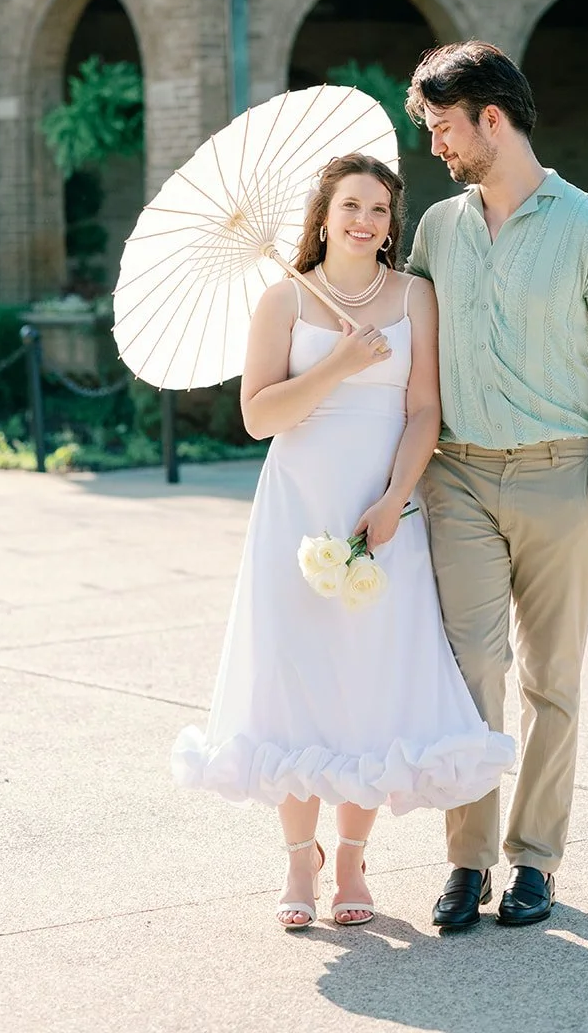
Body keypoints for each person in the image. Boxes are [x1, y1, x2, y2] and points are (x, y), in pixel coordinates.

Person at [171, 151, 514, 931]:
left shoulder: (413, 298)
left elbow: (423, 410)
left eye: (379, 210)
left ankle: (353, 857)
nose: (365, 221)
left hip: (379, 506)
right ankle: (301, 858)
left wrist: (396, 498)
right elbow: (259, 417)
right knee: (296, 678)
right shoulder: (282, 302)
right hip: (296, 507)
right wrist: (341, 364)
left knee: (366, 677)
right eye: (350, 206)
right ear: (322, 216)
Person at [405, 42, 588, 932]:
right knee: (470, 673)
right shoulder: (437, 230)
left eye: (441, 128)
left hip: (561, 476)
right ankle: (465, 863)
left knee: (553, 679)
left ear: (491, 119)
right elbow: (409, 357)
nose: (434, 146)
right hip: (458, 478)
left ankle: (536, 860)